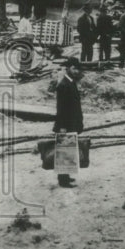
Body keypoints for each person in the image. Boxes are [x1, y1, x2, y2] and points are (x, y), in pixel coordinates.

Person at [53, 57, 84, 188]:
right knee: (64, 150)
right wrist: (62, 126)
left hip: (71, 122)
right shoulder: (64, 85)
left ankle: (65, 176)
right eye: (74, 68)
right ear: (68, 69)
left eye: (77, 69)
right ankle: (63, 180)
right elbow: (61, 109)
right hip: (65, 123)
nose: (76, 71)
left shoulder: (70, 82)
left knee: (68, 149)